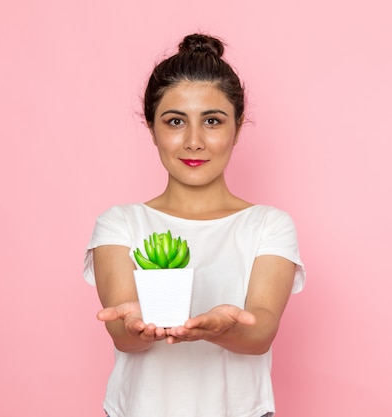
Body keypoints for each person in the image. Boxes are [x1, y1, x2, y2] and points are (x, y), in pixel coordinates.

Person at [83, 33, 306, 417]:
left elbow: (260, 334)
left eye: (212, 121)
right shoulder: (119, 223)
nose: (193, 141)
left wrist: (221, 328)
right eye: (175, 121)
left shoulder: (268, 225)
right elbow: (123, 336)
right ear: (152, 129)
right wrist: (136, 325)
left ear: (236, 129)